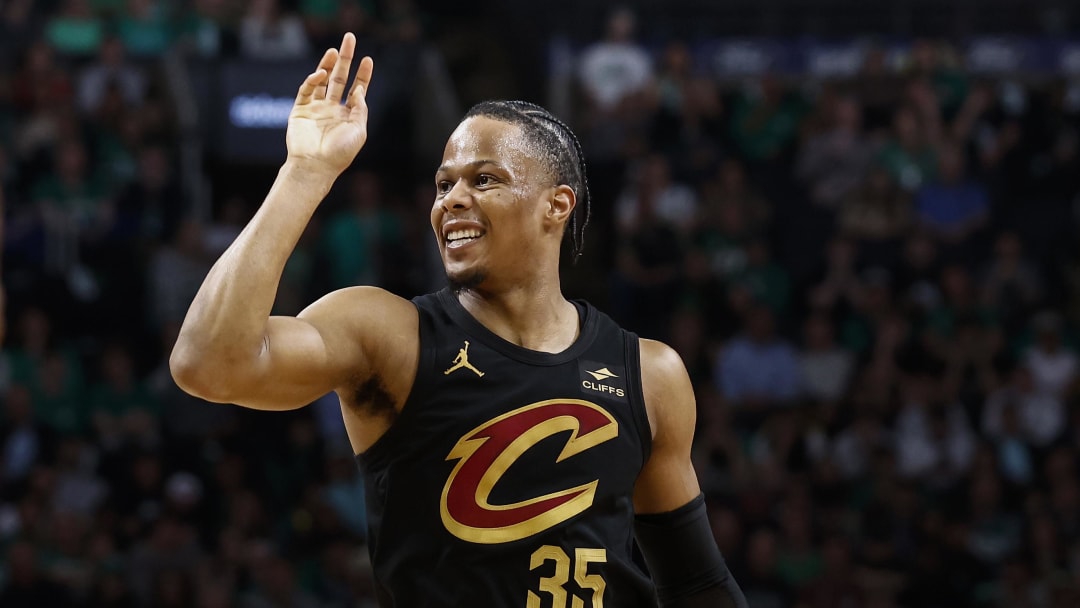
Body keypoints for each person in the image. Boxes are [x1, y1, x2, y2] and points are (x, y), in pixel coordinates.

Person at [170, 33, 747, 607]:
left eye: (485, 180)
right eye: (444, 184)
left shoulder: (650, 373)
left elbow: (697, 584)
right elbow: (209, 363)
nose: (451, 199)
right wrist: (305, 172)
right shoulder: (390, 335)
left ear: (557, 205)